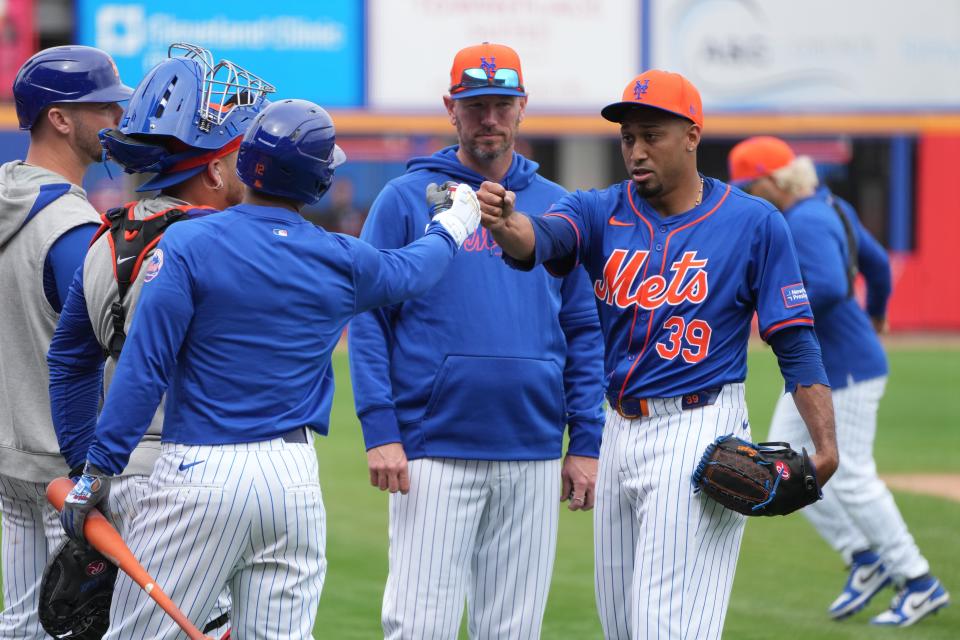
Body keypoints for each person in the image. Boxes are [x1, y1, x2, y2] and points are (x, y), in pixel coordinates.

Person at [57, 97, 481, 639]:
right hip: (293, 481)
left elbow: (145, 369)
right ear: (317, 182)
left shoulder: (189, 241)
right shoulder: (341, 257)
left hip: (202, 472)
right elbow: (416, 270)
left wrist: (97, 469)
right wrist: (455, 222)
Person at [477, 69, 840, 640]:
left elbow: (794, 339)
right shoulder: (599, 211)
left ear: (692, 136)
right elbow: (539, 240)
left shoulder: (753, 223)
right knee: (621, 624)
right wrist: (505, 223)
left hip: (698, 426)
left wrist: (826, 447)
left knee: (666, 626)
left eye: (652, 135)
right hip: (619, 432)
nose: (636, 151)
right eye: (628, 139)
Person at [348, 42, 604, 638]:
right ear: (451, 108)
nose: (488, 117)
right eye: (475, 105)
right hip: (432, 448)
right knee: (419, 625)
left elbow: (584, 328)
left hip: (534, 448)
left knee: (513, 630)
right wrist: (380, 431)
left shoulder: (555, 207)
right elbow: (368, 319)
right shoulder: (406, 198)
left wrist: (586, 442)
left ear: (522, 108)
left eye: (501, 104)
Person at [47, 43, 275, 638]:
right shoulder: (232, 245)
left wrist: (87, 470)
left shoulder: (104, 243)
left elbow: (70, 360)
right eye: (238, 152)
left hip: (130, 478)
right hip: (206, 484)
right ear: (214, 170)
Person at [728, 136, 949, 627]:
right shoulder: (832, 206)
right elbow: (874, 265)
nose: (747, 195)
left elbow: (826, 286)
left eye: (749, 186)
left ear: (770, 181)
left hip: (844, 368)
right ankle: (864, 558)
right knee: (783, 461)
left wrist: (772, 312)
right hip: (828, 366)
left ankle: (918, 580)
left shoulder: (804, 220)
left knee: (848, 475)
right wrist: (875, 313)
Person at [0, 45, 131, 638]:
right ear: (59, 117)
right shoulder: (73, 229)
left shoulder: (7, 196)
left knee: (22, 622)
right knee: (79, 629)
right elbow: (116, 349)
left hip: (8, 458)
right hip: (71, 470)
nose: (116, 122)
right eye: (104, 108)